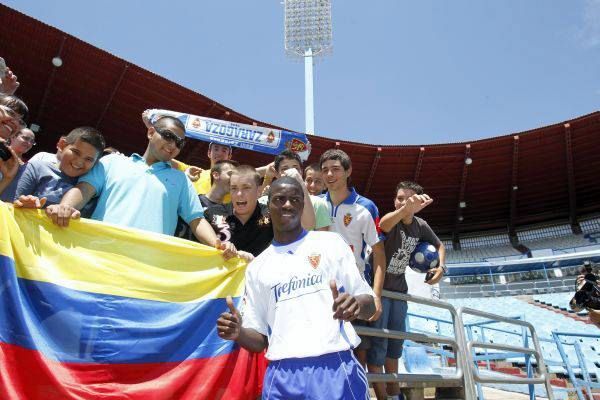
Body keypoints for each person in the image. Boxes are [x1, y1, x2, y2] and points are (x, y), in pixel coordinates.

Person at [216, 177, 376, 399]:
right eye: (280, 199)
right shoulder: (257, 268)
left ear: (302, 204)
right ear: (268, 206)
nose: (288, 205)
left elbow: (370, 304)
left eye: (294, 199)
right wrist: (238, 333)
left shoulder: (331, 244)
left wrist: (356, 304)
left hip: (335, 367)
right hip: (282, 376)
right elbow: (259, 339)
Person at [44, 116, 228, 253]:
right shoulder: (112, 162)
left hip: (147, 270)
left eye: (180, 143)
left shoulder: (181, 180)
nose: (173, 145)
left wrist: (219, 246)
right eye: (168, 136)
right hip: (97, 256)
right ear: (150, 132)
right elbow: (84, 190)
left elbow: (196, 220)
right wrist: (64, 207)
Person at [368, 181, 446, 400]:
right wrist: (405, 209)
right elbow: (383, 225)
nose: (403, 201)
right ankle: (383, 397)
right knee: (377, 348)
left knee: (394, 348)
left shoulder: (420, 225)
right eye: (400, 198)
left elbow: (440, 245)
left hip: (399, 293)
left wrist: (440, 266)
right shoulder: (391, 219)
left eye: (409, 198)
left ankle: (395, 395)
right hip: (379, 291)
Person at [319, 149, 386, 366]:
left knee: (358, 354)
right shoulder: (315, 204)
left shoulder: (366, 207)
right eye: (325, 170)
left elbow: (379, 255)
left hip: (355, 291)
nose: (329, 174)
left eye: (335, 169)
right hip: (320, 289)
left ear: (348, 171)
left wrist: (375, 295)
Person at [13, 127, 105, 207]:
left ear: (95, 163)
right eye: (76, 152)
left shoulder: (91, 187)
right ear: (62, 145)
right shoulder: (36, 168)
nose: (79, 162)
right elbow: (9, 204)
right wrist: (24, 206)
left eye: (89, 159)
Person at [259, 150, 327, 231]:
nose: (291, 171)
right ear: (277, 174)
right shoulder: (264, 200)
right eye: (285, 168)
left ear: (301, 172)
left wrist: (300, 182)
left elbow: (309, 227)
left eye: (295, 168)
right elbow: (260, 227)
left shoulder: (318, 203)